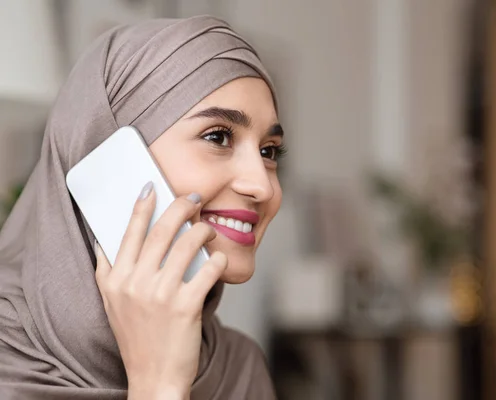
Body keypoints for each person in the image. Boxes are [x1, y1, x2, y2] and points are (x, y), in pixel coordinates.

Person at [0, 15, 285, 399]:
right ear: (106, 153)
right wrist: (159, 385)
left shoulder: (238, 368)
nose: (263, 185)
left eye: (269, 151)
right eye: (218, 136)